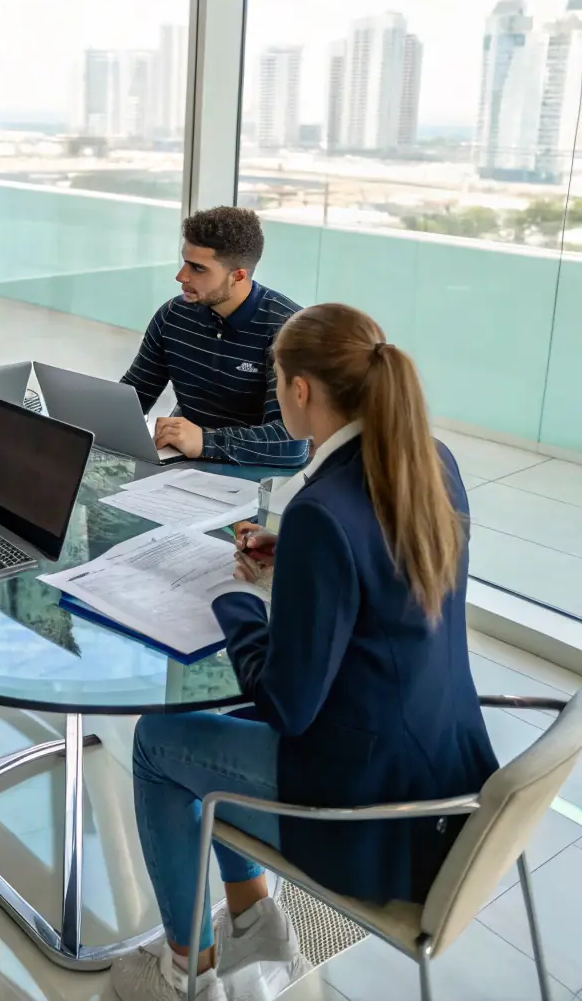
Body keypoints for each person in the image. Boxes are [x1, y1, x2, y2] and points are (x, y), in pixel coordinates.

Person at [112, 302, 498, 1001]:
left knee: (158, 746)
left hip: (369, 815)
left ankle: (184, 971)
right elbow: (385, 573)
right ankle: (255, 922)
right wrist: (294, 559)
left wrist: (234, 604)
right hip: (442, 772)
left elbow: (286, 703)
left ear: (299, 391)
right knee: (214, 733)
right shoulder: (426, 461)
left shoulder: (323, 509)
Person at [121, 207, 307, 466]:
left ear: (238, 275)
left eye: (197, 268)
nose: (181, 276)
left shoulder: (289, 331)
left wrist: (206, 442)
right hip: (183, 465)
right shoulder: (174, 315)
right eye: (185, 262)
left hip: (258, 480)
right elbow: (133, 395)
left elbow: (291, 443)